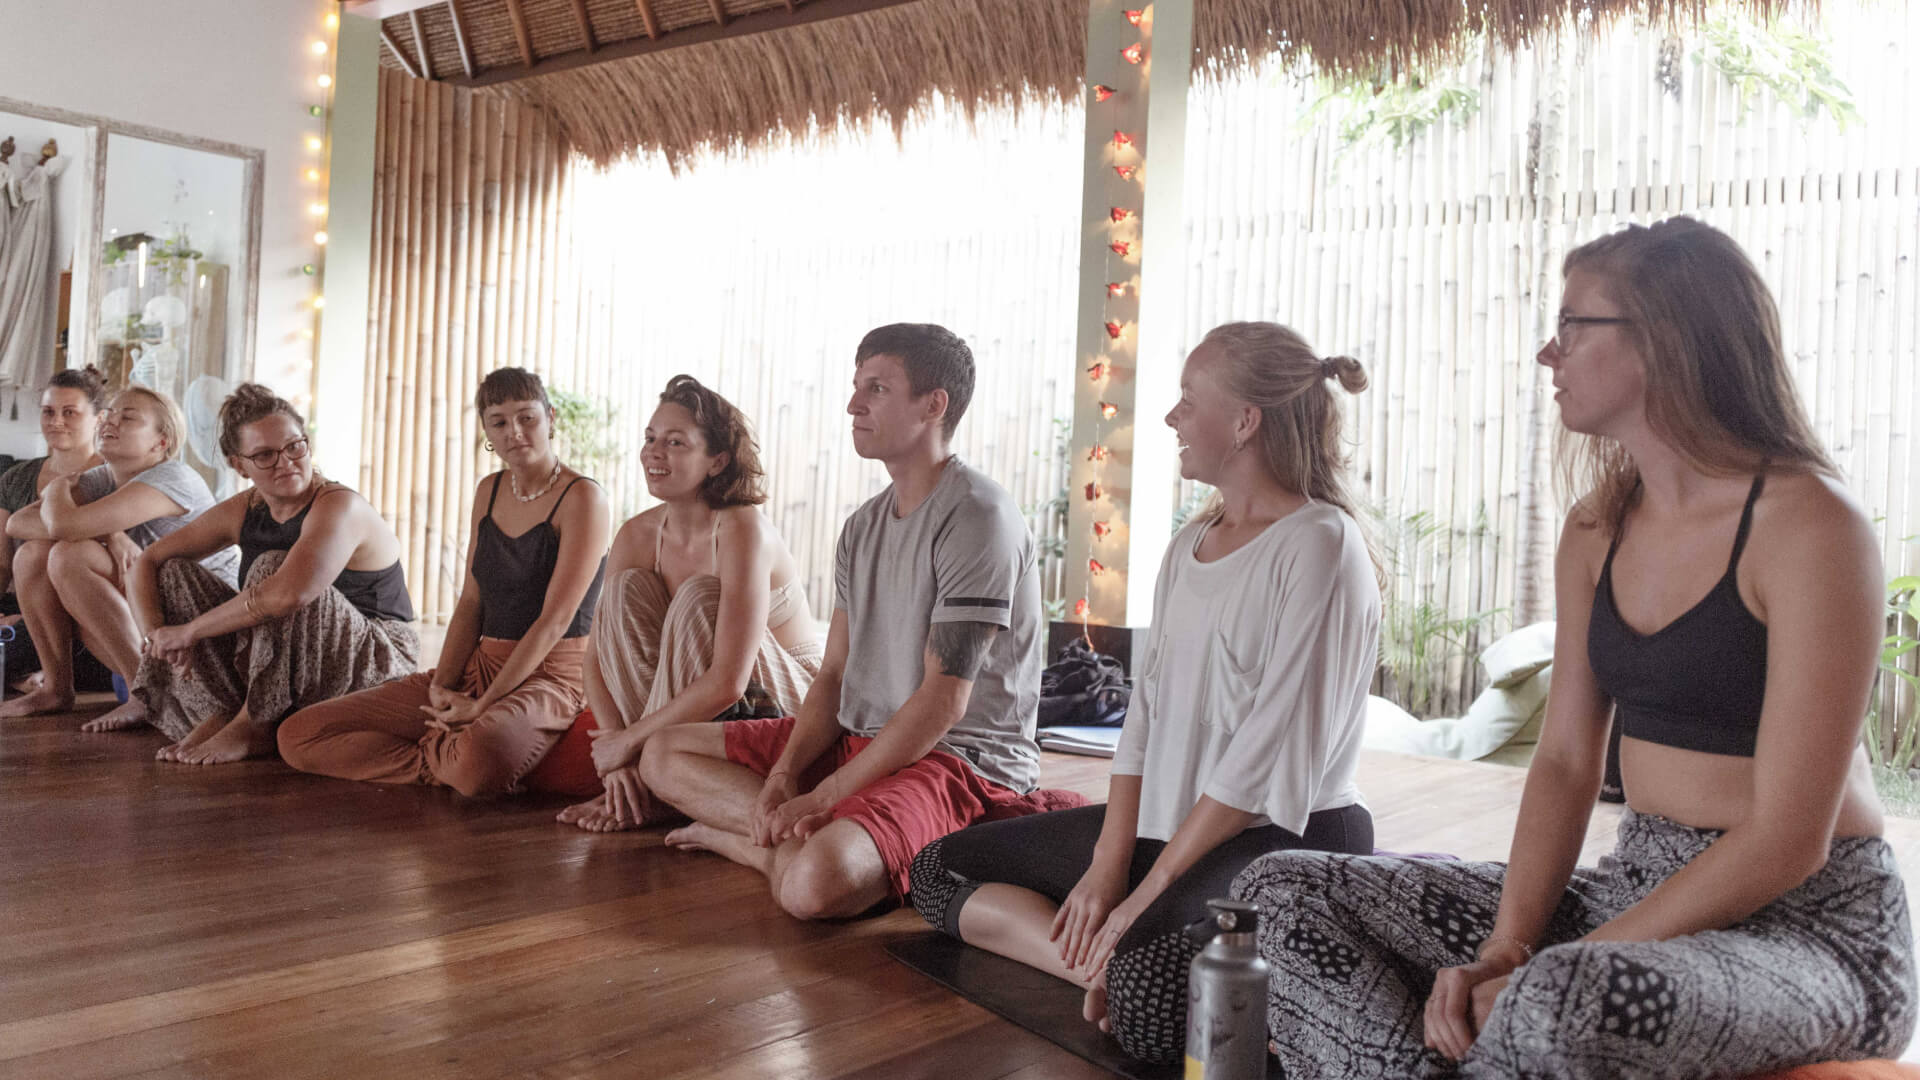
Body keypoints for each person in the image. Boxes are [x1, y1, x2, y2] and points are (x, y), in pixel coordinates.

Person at [1236, 217, 1915, 1078]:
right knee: (1282, 889)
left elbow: (1788, 839)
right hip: (1641, 884)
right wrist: (1508, 949)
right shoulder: (1598, 526)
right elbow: (1563, 761)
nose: (1547, 355)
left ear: (1664, 338)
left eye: (1571, 327)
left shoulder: (1808, 524)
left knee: (1561, 998)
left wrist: (1547, 971)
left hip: (1810, 931)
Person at [907, 323, 1381, 1062]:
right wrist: (1106, 862)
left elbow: (1260, 759)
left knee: (1152, 1010)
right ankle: (1099, 965)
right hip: (1173, 827)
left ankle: (1121, 966)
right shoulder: (1189, 542)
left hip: (1285, 839)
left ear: (1245, 422)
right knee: (937, 871)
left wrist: (1140, 897)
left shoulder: (1320, 543)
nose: (1172, 418)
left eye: (1189, 401)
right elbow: (1145, 716)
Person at [640, 323, 1077, 920]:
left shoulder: (979, 516)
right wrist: (786, 775)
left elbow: (943, 703)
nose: (853, 404)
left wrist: (823, 796)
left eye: (876, 388)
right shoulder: (863, 526)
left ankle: (758, 847)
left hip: (956, 761)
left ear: (933, 405)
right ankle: (787, 838)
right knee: (661, 754)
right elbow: (834, 671)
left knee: (813, 886)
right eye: (856, 386)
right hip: (861, 739)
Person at [278, 367, 609, 797]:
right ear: (487, 429)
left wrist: (483, 706)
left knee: (479, 756)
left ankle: (457, 759)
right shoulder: (489, 490)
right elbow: (471, 602)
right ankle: (436, 764)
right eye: (500, 422)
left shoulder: (583, 497)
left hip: (551, 675)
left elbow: (555, 619)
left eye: (527, 418)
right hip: (482, 663)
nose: (515, 432)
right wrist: (442, 686)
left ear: (550, 418)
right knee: (298, 735)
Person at [556, 374, 822, 833]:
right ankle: (647, 789)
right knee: (623, 591)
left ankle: (655, 785)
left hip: (789, 703)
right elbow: (595, 660)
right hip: (702, 714)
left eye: (676, 442)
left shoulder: (742, 529)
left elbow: (728, 683)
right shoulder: (637, 534)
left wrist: (628, 746)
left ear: (717, 461)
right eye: (651, 438)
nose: (654, 452)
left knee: (700, 599)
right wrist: (615, 760)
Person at [128, 384, 418, 763]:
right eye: (265, 455)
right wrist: (157, 635)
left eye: (295, 446)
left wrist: (189, 631)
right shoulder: (246, 507)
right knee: (174, 573)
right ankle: (223, 711)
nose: (286, 462)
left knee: (274, 569)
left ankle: (255, 724)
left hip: (378, 659)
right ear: (238, 464)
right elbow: (146, 562)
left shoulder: (339, 505)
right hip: (292, 661)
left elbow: (287, 594)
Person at [2, 386, 234, 723]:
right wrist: (111, 533)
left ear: (161, 443)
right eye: (110, 414)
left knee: (69, 556)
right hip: (151, 617)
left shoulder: (172, 477)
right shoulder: (105, 478)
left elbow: (65, 526)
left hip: (202, 627)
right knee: (32, 556)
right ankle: (56, 689)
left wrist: (56, 490)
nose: (111, 422)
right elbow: (18, 524)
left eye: (128, 418)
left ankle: (145, 694)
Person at [0, 368, 112, 698]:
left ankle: (40, 679)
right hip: (18, 609)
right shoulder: (16, 478)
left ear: (99, 418)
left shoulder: (111, 478)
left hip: (79, 621)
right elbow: (2, 564)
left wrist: (25, 617)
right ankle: (26, 677)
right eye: (48, 412)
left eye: (69, 412)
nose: (56, 422)